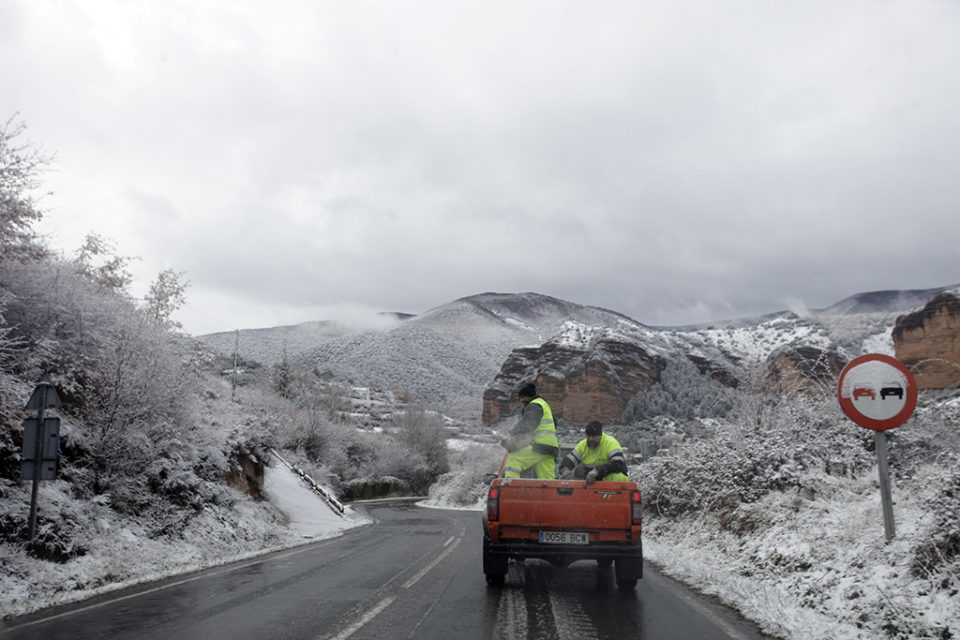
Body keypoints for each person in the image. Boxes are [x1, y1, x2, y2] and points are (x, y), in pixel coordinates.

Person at [500, 383, 559, 479]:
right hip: (551, 448)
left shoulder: (534, 405)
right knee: (547, 480)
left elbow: (528, 423)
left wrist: (513, 433)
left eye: (522, 397)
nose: (521, 400)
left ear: (528, 396)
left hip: (539, 446)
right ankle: (549, 490)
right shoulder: (543, 405)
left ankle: (510, 484)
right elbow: (554, 423)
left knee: (514, 459)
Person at [559, 421, 629, 484]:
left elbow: (618, 464)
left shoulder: (610, 443)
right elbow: (568, 461)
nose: (591, 439)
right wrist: (565, 470)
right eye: (589, 436)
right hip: (592, 484)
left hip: (614, 486)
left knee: (616, 476)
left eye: (594, 436)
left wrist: (598, 471)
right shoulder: (582, 446)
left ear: (600, 435)